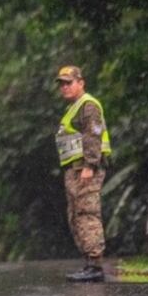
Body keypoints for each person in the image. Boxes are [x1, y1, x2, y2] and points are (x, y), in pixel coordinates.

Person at [54, 65, 111, 283]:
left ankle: (95, 266)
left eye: (69, 83)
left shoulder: (88, 105)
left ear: (81, 82)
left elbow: (93, 135)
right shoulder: (74, 108)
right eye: (62, 84)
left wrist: (90, 165)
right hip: (74, 169)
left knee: (87, 213)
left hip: (85, 169)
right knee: (76, 215)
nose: (65, 88)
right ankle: (89, 263)